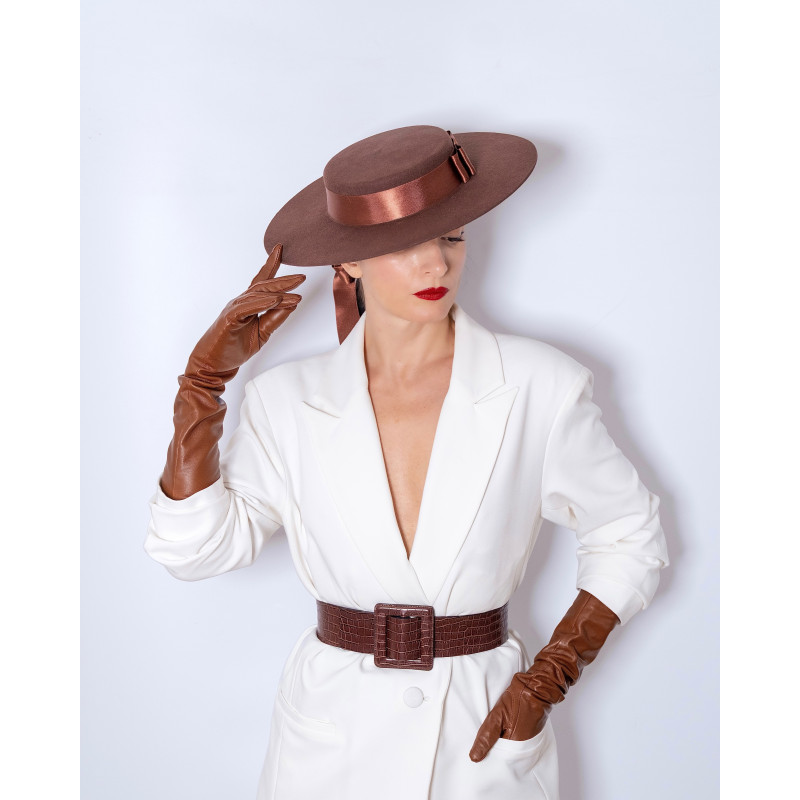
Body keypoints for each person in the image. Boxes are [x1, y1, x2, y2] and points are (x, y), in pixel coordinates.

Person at [145, 125, 669, 800]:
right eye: (402, 246)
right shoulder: (285, 400)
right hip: (330, 741)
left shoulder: (540, 384)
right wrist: (201, 390)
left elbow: (629, 532)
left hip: (478, 730)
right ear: (348, 263)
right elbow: (195, 552)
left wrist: (548, 678)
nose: (435, 266)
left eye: (451, 237)